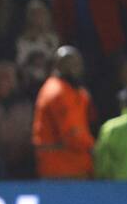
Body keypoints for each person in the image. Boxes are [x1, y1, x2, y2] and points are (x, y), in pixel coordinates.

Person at [32, 45, 95, 179]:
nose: (75, 68)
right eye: (70, 64)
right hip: (62, 170)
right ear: (58, 66)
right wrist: (95, 148)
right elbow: (72, 134)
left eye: (77, 64)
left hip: (73, 166)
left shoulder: (74, 91)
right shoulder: (57, 92)